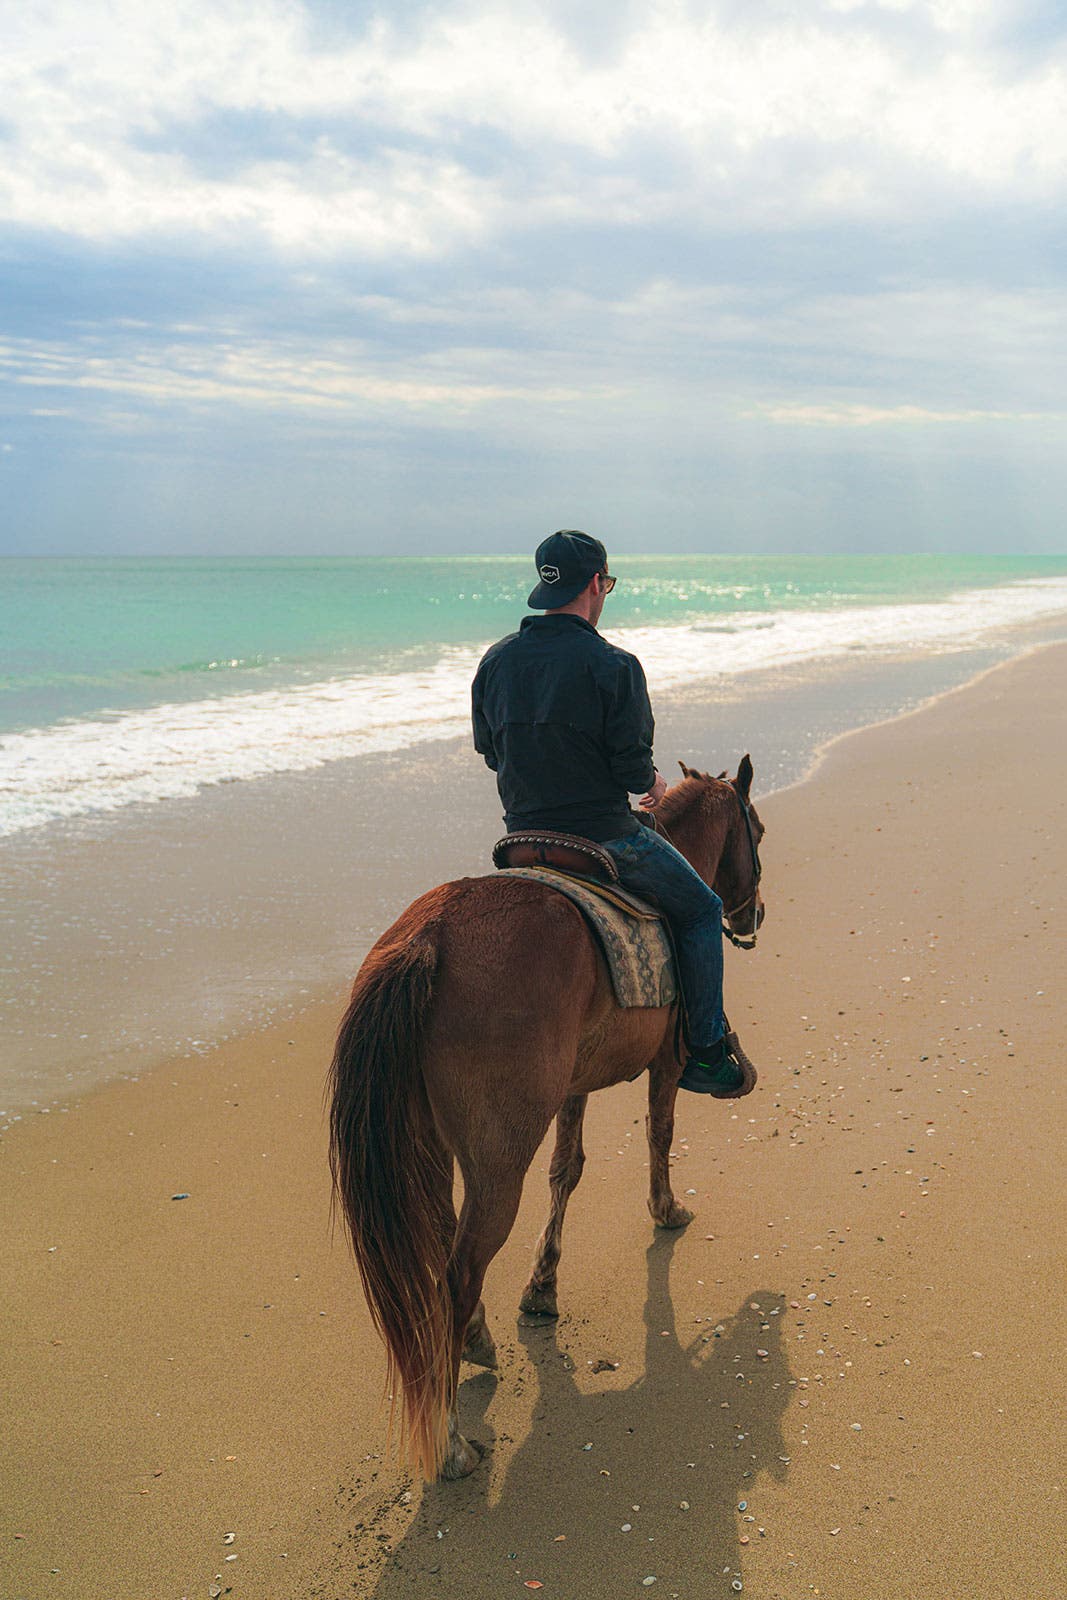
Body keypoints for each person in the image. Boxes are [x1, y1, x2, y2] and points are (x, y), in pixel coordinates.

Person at [471, 529, 753, 1096]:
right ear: (596, 584)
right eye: (608, 585)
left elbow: (490, 753)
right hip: (603, 837)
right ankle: (705, 1050)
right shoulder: (614, 665)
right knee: (702, 909)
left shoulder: (497, 661)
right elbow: (629, 768)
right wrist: (652, 781)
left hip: (520, 837)